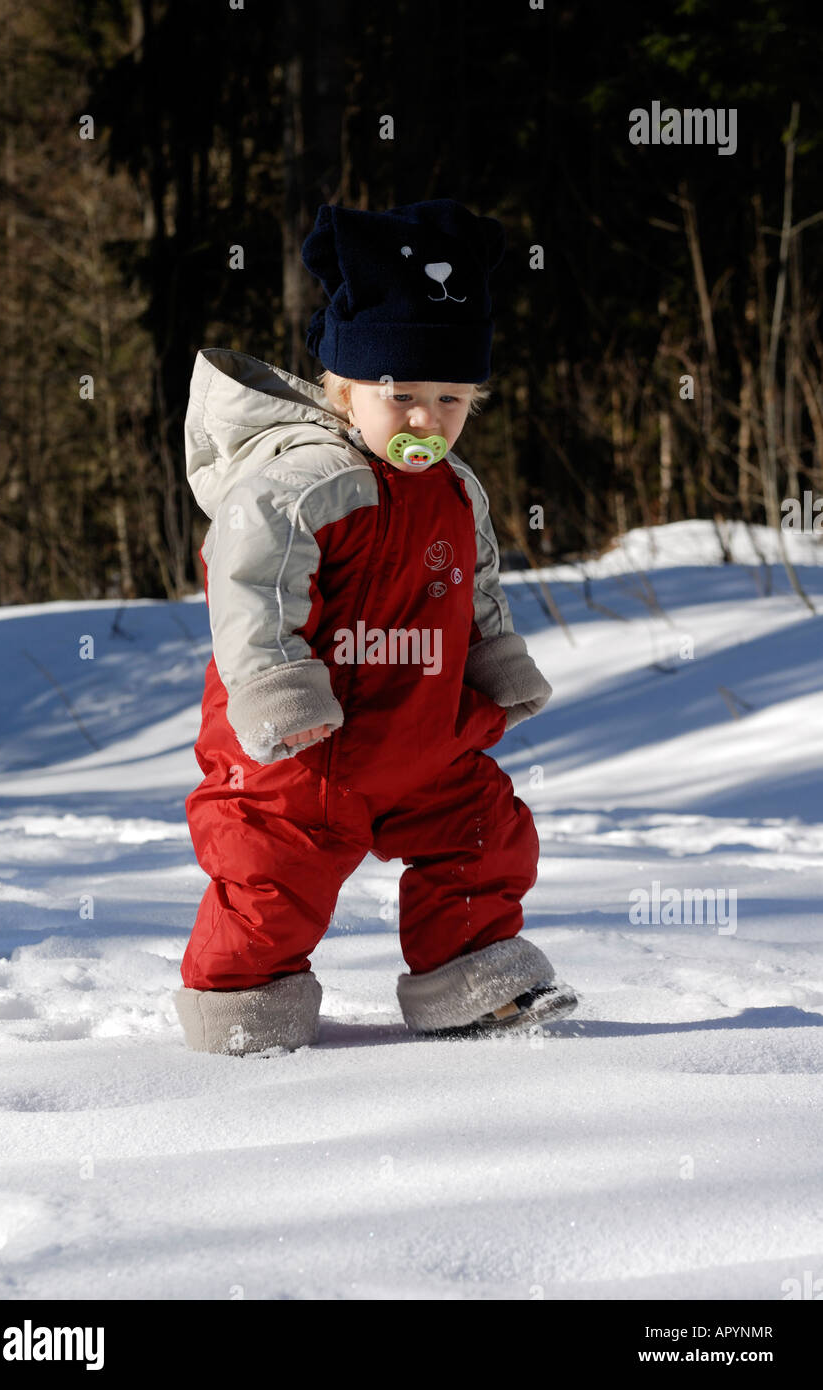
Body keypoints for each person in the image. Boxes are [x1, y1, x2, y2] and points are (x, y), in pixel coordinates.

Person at [173, 198, 577, 1055]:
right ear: (344, 386)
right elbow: (246, 583)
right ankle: (246, 1008)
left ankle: (476, 980)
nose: (428, 420)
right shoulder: (303, 481)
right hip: (302, 751)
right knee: (270, 879)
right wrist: (276, 688)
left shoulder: (459, 488)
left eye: (452, 397)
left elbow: (478, 582)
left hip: (421, 736)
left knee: (484, 836)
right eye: (401, 396)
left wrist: (494, 660)